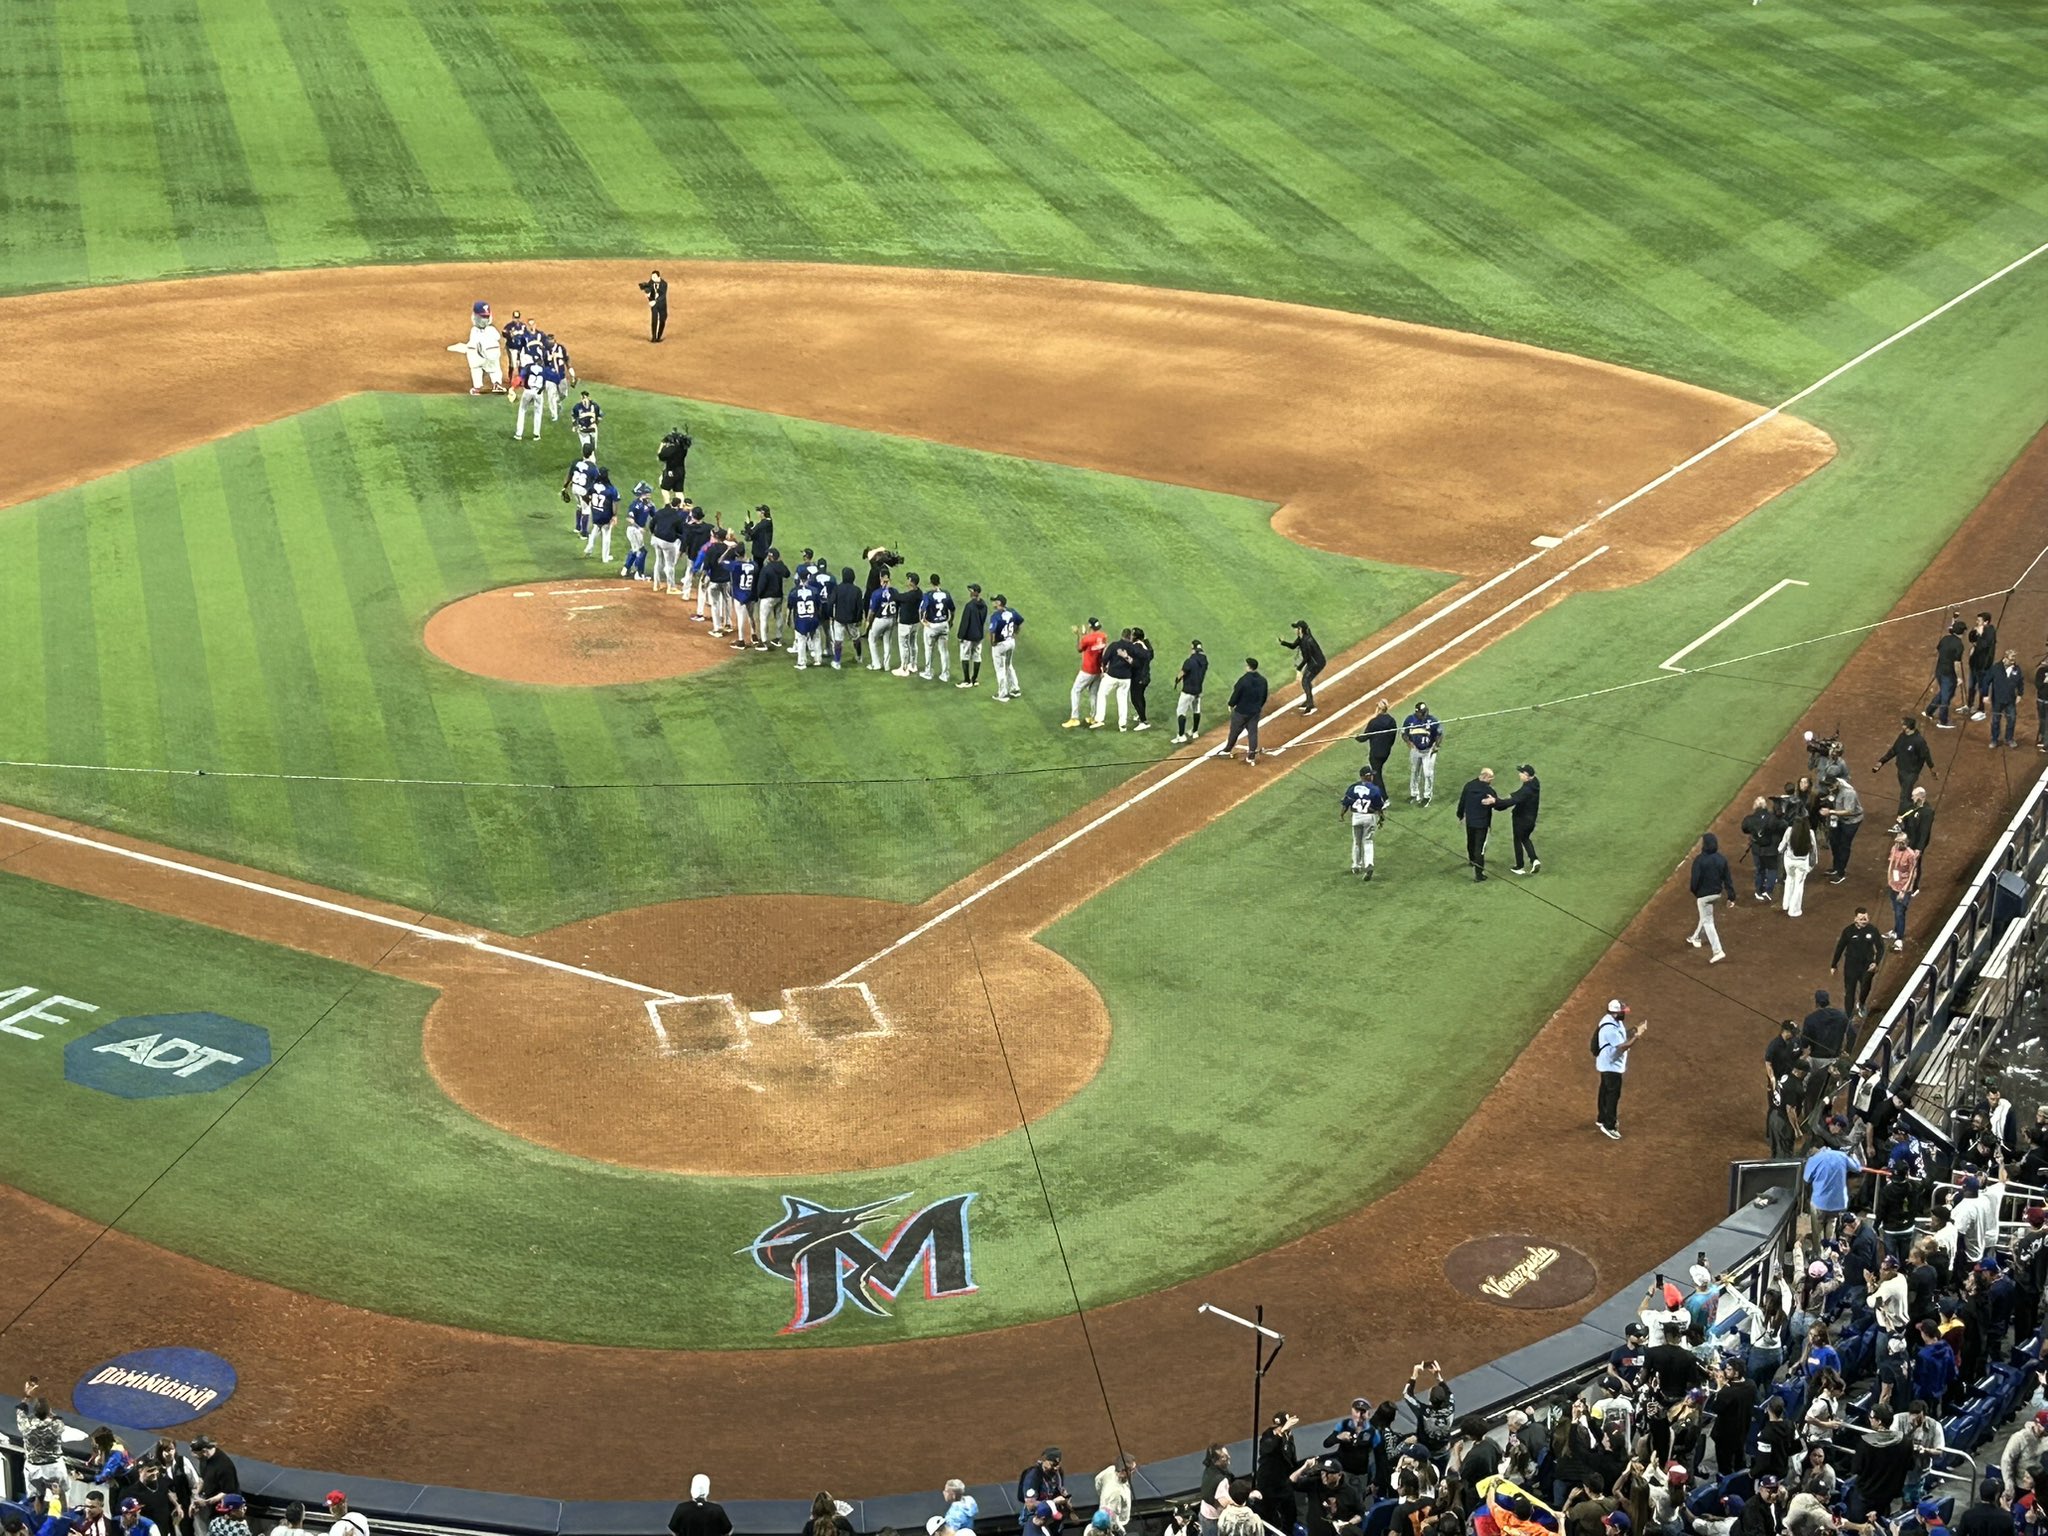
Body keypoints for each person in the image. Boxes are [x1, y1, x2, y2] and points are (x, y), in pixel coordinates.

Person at [1594, 999, 1648, 1140]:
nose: (1624, 1014)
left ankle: (1601, 1118)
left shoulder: (1612, 1021)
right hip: (1611, 1066)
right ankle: (1609, 1126)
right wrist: (1637, 1036)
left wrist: (1634, 1029)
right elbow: (1623, 1046)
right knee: (1612, 1095)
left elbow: (1622, 1037)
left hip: (1607, 1064)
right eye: (1622, 1012)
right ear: (1616, 1013)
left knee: (1605, 1091)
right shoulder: (1609, 1029)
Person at [1686, 832, 1734, 963]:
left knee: (1708, 921)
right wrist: (1731, 897)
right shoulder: (1721, 859)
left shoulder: (1699, 860)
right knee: (1706, 915)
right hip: (1717, 895)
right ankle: (1695, 937)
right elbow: (1728, 880)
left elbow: (1694, 882)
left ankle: (1718, 950)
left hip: (1703, 896)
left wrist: (1697, 894)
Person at [1832, 907, 1886, 1020]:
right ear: (1855, 919)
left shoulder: (1872, 930)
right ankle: (1848, 1016)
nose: (1864, 921)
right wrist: (1834, 964)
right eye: (1861, 919)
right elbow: (1840, 947)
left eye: (1866, 918)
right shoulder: (1848, 931)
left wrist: (1876, 962)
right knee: (1849, 991)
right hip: (1851, 966)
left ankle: (1861, 1004)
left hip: (1867, 966)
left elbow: (1881, 947)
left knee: (1865, 987)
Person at [1875, 717, 1937, 812]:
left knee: (1903, 796)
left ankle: (1902, 817)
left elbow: (1926, 755)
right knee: (1906, 793)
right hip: (1901, 769)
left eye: (1903, 724)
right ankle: (1912, 802)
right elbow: (1894, 750)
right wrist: (1881, 761)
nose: (1901, 725)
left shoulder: (1919, 741)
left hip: (1911, 772)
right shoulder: (1902, 736)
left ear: (1907, 727)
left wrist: (1932, 769)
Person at [1218, 658, 1269, 764]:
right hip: (1255, 712)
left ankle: (1227, 750)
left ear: (1249, 667)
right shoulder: (1263, 680)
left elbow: (1236, 694)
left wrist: (1231, 704)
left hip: (1241, 712)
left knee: (1234, 731)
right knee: (1253, 733)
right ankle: (1251, 756)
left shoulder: (1243, 680)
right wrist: (1258, 707)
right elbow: (1264, 697)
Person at [1341, 765, 1387, 880]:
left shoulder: (1353, 788)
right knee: (1368, 841)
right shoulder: (1375, 789)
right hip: (1369, 817)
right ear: (1367, 777)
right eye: (1370, 775)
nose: (1372, 777)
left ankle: (1356, 865)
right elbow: (1379, 806)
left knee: (1356, 841)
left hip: (1356, 817)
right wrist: (1381, 817)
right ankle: (1368, 864)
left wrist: (1342, 814)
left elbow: (1346, 803)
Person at [1455, 768, 1497, 882]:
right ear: (1485, 777)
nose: (1492, 780)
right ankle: (1479, 874)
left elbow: (1462, 802)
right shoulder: (1488, 791)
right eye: (1491, 778)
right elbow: (1497, 805)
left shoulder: (1469, 786)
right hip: (1482, 823)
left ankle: (1472, 860)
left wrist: (1460, 815)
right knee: (1480, 848)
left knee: (1471, 841)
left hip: (1470, 821)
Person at [1822, 773, 1865, 883]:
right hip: (1839, 819)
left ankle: (1841, 873)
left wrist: (1830, 811)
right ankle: (1836, 867)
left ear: (1836, 784)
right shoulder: (1834, 788)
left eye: (1831, 786)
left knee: (1844, 845)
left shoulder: (1849, 793)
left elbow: (1849, 811)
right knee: (1834, 842)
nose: (1829, 789)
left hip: (1852, 821)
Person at [1741, 796, 1785, 903]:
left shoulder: (1749, 819)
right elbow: (1784, 827)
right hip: (1771, 850)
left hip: (1757, 850)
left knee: (1759, 870)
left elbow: (1744, 828)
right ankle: (1768, 890)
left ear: (1755, 806)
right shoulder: (1773, 818)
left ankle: (1759, 891)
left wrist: (1755, 832)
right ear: (1765, 806)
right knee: (1772, 869)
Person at [1066, 618, 1108, 727]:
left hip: (1087, 670)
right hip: (1098, 670)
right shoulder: (1103, 636)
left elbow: (1080, 648)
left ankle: (1074, 718)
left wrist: (1078, 635)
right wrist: (1085, 635)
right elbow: (1093, 642)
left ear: (1090, 626)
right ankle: (1093, 717)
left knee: (1075, 690)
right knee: (1093, 693)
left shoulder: (1087, 639)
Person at [1094, 628, 1138, 730]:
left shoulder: (1114, 645)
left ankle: (1099, 719)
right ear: (1130, 637)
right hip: (1126, 678)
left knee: (1102, 694)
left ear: (1122, 635)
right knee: (1122, 700)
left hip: (1111, 676)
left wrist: (1103, 670)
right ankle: (1122, 724)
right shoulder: (1133, 648)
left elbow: (1104, 659)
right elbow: (1135, 663)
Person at [1281, 621, 1326, 714]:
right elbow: (1293, 646)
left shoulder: (1307, 641)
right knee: (1306, 681)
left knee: (1305, 681)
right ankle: (1309, 702)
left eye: (1296, 628)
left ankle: (1310, 705)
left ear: (1300, 629)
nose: (1294, 630)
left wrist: (1299, 669)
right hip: (1312, 662)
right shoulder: (1301, 638)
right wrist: (1283, 642)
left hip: (1317, 663)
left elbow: (1307, 657)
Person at [1928, 618, 1965, 729]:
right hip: (1949, 674)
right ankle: (1943, 721)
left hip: (1939, 670)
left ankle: (1929, 711)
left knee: (1945, 693)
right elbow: (1957, 663)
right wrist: (1959, 677)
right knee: (1946, 696)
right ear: (1962, 632)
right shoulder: (1959, 645)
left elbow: (1938, 650)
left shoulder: (1945, 638)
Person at [1403, 701, 1442, 805]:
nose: (1424, 714)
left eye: (1425, 711)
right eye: (1422, 712)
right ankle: (1414, 794)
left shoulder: (1432, 720)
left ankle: (1427, 796)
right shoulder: (1410, 720)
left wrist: (1436, 746)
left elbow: (1439, 734)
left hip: (1429, 751)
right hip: (1415, 750)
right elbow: (1404, 733)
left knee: (1428, 774)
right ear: (1417, 712)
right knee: (1414, 771)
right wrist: (1408, 742)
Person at [1885, 833, 1920, 952]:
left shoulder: (1910, 855)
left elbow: (1912, 874)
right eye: (1898, 842)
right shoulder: (1893, 849)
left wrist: (1904, 891)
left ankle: (1899, 939)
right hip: (1893, 885)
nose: (1900, 844)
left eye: (1903, 842)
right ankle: (1895, 931)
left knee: (1900, 912)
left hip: (1904, 888)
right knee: (1896, 910)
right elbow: (1891, 864)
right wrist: (1889, 880)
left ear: (1907, 842)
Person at [917, 575, 955, 683]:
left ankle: (928, 672)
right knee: (944, 651)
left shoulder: (928, 595)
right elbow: (952, 609)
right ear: (939, 582)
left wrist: (923, 621)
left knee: (929, 649)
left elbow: (921, 609)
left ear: (931, 582)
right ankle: (945, 674)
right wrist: (950, 621)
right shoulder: (946, 594)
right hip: (944, 624)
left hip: (932, 626)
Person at [1778, 815, 1816, 918]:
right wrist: (1813, 863)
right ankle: (1794, 910)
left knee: (1789, 879)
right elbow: (1814, 850)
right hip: (1802, 863)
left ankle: (1785, 904)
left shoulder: (1789, 830)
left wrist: (1780, 850)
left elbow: (1781, 846)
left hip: (1789, 861)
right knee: (1798, 886)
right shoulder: (1810, 833)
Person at [989, 596, 1024, 702]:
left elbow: (992, 631)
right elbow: (1020, 621)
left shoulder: (996, 616)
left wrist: (992, 643)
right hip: (1010, 642)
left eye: (995, 601)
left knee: (1000, 669)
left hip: (1000, 645)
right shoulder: (1012, 611)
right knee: (1009, 665)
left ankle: (1003, 694)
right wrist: (1015, 632)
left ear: (999, 603)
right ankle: (1015, 689)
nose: (993, 603)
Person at [1174, 641, 1210, 744]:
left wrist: (1177, 680)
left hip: (1188, 691)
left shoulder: (1189, 661)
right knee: (1196, 709)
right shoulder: (1204, 661)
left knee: (1180, 711)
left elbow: (1182, 673)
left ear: (1193, 649)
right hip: (1198, 690)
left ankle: (1181, 736)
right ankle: (1195, 731)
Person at [1356, 699, 1399, 785]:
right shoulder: (1392, 721)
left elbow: (1364, 737)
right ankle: (1381, 795)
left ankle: (1383, 797)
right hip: (1386, 752)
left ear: (1378, 708)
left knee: (1376, 776)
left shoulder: (1374, 722)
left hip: (1375, 754)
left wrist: (1357, 737)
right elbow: (1393, 737)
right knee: (1377, 773)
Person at [1965, 611, 1998, 720]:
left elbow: (1982, 646)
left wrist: (1980, 635)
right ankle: (1969, 706)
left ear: (1986, 622)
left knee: (1982, 688)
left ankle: (1981, 710)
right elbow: (1971, 639)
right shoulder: (1980, 629)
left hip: (1983, 666)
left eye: (1979, 621)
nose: (1976, 622)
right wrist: (1975, 632)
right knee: (1971, 686)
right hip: (1975, 663)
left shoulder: (1990, 632)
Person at [866, 574, 902, 673]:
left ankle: (876, 664)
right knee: (887, 642)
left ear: (881, 579)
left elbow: (872, 611)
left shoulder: (877, 593)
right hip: (891, 619)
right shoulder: (894, 592)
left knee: (872, 639)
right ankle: (887, 666)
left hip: (880, 620)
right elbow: (899, 606)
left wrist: (868, 621)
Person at [955, 584, 988, 689]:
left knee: (965, 656)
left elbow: (965, 622)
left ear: (975, 592)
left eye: (971, 591)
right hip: (978, 635)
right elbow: (982, 621)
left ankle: (967, 680)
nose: (970, 593)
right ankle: (974, 679)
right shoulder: (984, 605)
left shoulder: (969, 606)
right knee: (977, 656)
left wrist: (961, 635)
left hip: (968, 636)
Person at [1990, 649, 2024, 747]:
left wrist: (2020, 694)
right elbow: (1987, 680)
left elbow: (2020, 682)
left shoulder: (2016, 669)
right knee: (1996, 720)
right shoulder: (1996, 668)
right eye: (2011, 659)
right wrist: (1985, 695)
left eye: (2014, 659)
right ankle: (1994, 740)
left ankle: (2009, 739)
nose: (2013, 662)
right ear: (2005, 658)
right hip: (1997, 699)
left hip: (2010, 699)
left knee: (2012, 719)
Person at [1128, 628, 1155, 731]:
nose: (1130, 636)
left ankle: (1144, 721)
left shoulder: (1137, 647)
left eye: (1132, 634)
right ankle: (1141, 716)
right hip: (1145, 676)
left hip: (1138, 677)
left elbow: (1135, 661)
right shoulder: (1145, 645)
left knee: (1135, 699)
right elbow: (1151, 655)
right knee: (1140, 697)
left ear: (1135, 637)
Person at [639, 270, 669, 342]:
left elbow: (663, 296)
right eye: (652, 277)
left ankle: (659, 336)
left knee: (662, 320)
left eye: (654, 277)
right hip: (654, 304)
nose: (652, 278)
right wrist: (647, 292)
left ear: (658, 277)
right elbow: (649, 288)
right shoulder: (651, 281)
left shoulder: (664, 284)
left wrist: (655, 301)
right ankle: (654, 337)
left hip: (661, 305)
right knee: (654, 320)